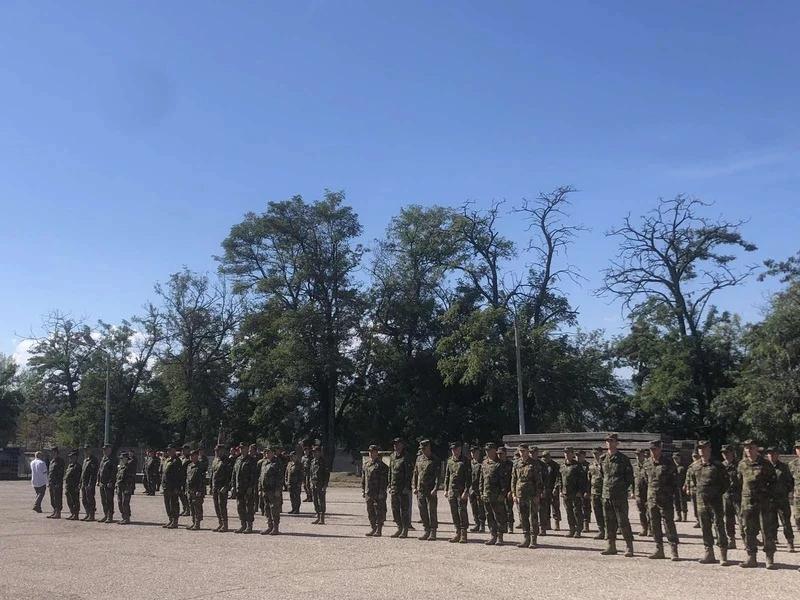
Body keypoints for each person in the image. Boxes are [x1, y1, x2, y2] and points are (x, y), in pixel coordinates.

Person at [738, 439, 779, 569]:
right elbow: (739, 481)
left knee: (767, 529)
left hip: (763, 502)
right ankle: (751, 557)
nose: (749, 450)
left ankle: (769, 558)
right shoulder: (742, 464)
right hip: (748, 502)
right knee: (748, 529)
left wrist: (768, 496)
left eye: (751, 448)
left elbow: (773, 482)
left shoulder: (765, 464)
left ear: (757, 449)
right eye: (746, 448)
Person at [688, 440, 730, 565]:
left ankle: (723, 554)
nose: (701, 450)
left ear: (709, 450)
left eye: (704, 448)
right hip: (701, 502)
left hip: (715, 502)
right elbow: (693, 483)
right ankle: (709, 553)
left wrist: (716, 493)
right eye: (700, 448)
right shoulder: (695, 466)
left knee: (719, 526)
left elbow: (726, 483)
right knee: (705, 527)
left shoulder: (717, 465)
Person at [600, 432, 635, 557]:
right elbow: (602, 475)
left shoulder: (623, 459)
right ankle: (611, 545)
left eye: (612, 441)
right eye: (607, 441)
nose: (609, 443)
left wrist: (624, 489)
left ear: (617, 443)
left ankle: (629, 546)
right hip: (606, 494)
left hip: (619, 495)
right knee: (608, 521)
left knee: (623, 521)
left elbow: (629, 477)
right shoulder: (603, 459)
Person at [643, 441, 679, 560]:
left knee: (668, 524)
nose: (653, 452)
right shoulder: (647, 463)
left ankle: (674, 550)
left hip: (666, 499)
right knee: (654, 524)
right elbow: (644, 481)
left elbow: (675, 481)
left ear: (660, 449)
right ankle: (659, 549)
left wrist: (669, 494)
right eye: (651, 450)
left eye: (655, 449)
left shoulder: (668, 463)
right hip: (652, 499)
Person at [511, 443, 543, 549]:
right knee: (523, 517)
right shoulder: (516, 464)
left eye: (523, 451)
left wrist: (538, 495)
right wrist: (514, 494)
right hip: (520, 495)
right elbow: (514, 480)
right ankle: (526, 538)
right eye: (520, 451)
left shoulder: (534, 464)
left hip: (531, 494)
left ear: (528, 452)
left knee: (533, 517)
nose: (522, 453)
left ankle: (533, 539)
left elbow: (539, 481)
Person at [765, 447, 794, 552]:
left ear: (778, 455)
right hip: (770, 499)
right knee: (771, 521)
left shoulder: (784, 467)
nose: (771, 456)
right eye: (769, 454)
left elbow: (791, 481)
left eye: (773, 454)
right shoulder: (765, 467)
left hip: (782, 499)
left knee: (786, 521)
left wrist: (786, 491)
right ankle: (773, 540)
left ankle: (790, 541)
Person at [480, 442, 508, 546]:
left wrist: (502, 494)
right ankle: (493, 535)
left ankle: (500, 536)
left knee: (499, 516)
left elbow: (504, 482)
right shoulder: (484, 463)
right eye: (486, 451)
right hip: (486, 495)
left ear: (494, 451)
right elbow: (481, 479)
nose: (487, 452)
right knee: (489, 515)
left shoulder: (499, 464)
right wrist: (481, 492)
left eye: (489, 450)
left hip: (497, 495)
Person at [412, 439, 441, 541]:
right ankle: (426, 530)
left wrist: (436, 488)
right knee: (422, 510)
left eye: (424, 448)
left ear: (429, 447)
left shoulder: (435, 459)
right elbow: (415, 473)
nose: (423, 451)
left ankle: (433, 531)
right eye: (422, 449)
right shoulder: (419, 459)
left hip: (430, 490)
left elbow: (438, 476)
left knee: (432, 511)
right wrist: (414, 486)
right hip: (420, 490)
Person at [444, 441, 470, 543]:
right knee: (454, 512)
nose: (454, 451)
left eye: (455, 449)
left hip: (461, 491)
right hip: (452, 490)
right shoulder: (450, 461)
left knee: (462, 511)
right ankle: (457, 532)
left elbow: (469, 478)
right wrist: (446, 489)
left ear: (460, 449)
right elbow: (447, 476)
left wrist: (466, 490)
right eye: (452, 449)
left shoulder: (465, 461)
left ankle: (464, 534)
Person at [388, 437, 414, 538]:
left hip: (403, 488)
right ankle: (399, 527)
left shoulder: (406, 457)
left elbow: (409, 473)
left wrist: (407, 487)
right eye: (394, 444)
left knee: (404, 509)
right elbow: (390, 472)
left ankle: (405, 529)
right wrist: (389, 485)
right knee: (395, 509)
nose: (396, 446)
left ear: (402, 445)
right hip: (394, 487)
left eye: (398, 444)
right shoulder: (392, 456)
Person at [362, 444, 389, 537]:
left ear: (376, 453)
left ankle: (379, 529)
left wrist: (382, 492)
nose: (370, 453)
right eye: (369, 452)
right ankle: (373, 528)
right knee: (370, 511)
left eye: (372, 452)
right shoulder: (366, 464)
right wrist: (363, 490)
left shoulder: (381, 466)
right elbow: (364, 478)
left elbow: (384, 481)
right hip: (369, 492)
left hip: (378, 493)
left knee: (379, 511)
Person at [560, 447, 586, 538]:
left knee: (577, 511)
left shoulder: (577, 466)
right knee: (569, 511)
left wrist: (580, 491)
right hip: (566, 492)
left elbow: (582, 480)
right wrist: (560, 490)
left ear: (572, 454)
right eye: (565, 453)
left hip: (575, 493)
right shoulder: (562, 466)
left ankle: (578, 530)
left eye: (568, 453)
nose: (566, 455)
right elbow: (560, 479)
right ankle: (571, 529)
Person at [232, 443, 258, 533]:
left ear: (247, 449)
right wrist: (233, 486)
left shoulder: (251, 460)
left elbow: (254, 475)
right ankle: (243, 525)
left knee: (249, 507)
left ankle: (249, 526)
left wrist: (251, 486)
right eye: (240, 448)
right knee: (240, 507)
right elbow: (234, 474)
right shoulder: (238, 460)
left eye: (242, 448)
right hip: (239, 488)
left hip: (247, 488)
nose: (241, 449)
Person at [258, 447, 283, 535]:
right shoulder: (264, 463)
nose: (266, 454)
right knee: (267, 508)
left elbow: (280, 478)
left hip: (273, 490)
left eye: (268, 452)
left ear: (273, 453)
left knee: (274, 508)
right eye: (265, 452)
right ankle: (269, 526)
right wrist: (260, 489)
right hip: (265, 490)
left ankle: (275, 528)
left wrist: (277, 489)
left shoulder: (277, 463)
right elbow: (261, 477)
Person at [721, 445, 741, 550]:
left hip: (738, 495)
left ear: (732, 453)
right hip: (726, 496)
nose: (725, 454)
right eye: (723, 453)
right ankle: (731, 539)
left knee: (743, 519)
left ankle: (746, 540)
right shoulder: (721, 466)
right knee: (729, 520)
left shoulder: (739, 465)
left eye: (727, 452)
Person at [209, 443, 232, 532]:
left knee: (222, 505)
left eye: (219, 450)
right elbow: (212, 474)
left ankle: (225, 524)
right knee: (216, 506)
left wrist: (226, 486)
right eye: (216, 451)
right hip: (215, 486)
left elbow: (229, 476)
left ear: (223, 451)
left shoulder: (226, 461)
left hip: (222, 487)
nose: (218, 452)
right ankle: (220, 523)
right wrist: (211, 487)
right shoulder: (215, 460)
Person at [161, 443, 183, 529]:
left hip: (173, 486)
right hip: (166, 486)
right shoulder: (167, 460)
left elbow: (179, 476)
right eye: (168, 450)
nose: (168, 451)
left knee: (173, 503)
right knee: (167, 503)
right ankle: (170, 519)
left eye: (170, 450)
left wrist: (178, 487)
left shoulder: (177, 461)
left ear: (174, 450)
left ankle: (175, 521)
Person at [186, 449, 206, 531]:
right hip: (190, 490)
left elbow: (202, 479)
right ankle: (193, 522)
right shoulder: (190, 465)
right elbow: (187, 478)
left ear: (197, 456)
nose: (191, 457)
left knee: (197, 506)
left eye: (192, 455)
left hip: (197, 490)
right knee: (191, 507)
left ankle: (197, 523)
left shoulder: (200, 466)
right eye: (190, 455)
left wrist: (200, 490)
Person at [541, 450, 561, 532]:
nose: (545, 459)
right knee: (545, 507)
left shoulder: (555, 465)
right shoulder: (541, 465)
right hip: (545, 489)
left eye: (546, 457)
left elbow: (558, 477)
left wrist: (556, 487)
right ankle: (547, 524)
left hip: (553, 488)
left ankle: (557, 523)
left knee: (555, 506)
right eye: (544, 457)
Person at [310, 443, 330, 525]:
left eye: (316, 452)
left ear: (319, 452)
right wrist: (310, 483)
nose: (314, 453)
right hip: (314, 483)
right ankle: (317, 516)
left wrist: (325, 485)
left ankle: (322, 518)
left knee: (321, 501)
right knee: (315, 500)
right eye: (313, 452)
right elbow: (311, 473)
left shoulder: (323, 462)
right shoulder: (312, 461)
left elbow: (326, 474)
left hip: (321, 484)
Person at [97, 444, 118, 523]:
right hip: (102, 482)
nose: (104, 451)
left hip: (108, 483)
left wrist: (111, 481)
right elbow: (100, 470)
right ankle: (105, 514)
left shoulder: (113, 459)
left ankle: (110, 516)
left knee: (109, 499)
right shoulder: (103, 459)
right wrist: (98, 480)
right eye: (103, 450)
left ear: (110, 450)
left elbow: (114, 472)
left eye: (106, 450)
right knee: (103, 500)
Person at [588, 447, 606, 540]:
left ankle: (609, 531)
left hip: (604, 492)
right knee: (597, 512)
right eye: (594, 453)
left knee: (606, 513)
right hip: (594, 492)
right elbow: (589, 479)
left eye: (597, 453)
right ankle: (601, 531)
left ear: (601, 453)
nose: (595, 455)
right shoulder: (591, 465)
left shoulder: (606, 464)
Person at [468, 446, 486, 533]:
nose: (473, 454)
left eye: (474, 452)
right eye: (472, 452)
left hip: (479, 489)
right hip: (472, 489)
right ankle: (477, 524)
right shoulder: (469, 463)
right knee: (473, 507)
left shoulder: (482, 464)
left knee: (481, 507)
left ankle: (482, 525)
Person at [497, 446, 514, 533]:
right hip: (499, 491)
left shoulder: (510, 464)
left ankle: (510, 525)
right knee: (500, 509)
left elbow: (514, 478)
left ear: (505, 454)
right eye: (498, 454)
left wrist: (511, 491)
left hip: (508, 489)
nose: (500, 456)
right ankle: (503, 526)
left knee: (509, 509)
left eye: (501, 454)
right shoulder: (496, 464)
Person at [115, 451, 135, 525]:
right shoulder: (121, 467)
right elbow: (118, 477)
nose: (121, 460)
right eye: (120, 458)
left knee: (125, 503)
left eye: (122, 458)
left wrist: (128, 488)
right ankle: (123, 517)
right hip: (120, 487)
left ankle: (127, 517)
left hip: (126, 488)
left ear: (126, 458)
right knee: (120, 502)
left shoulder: (129, 467)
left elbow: (130, 479)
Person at [80, 445, 99, 521]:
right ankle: (87, 513)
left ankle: (92, 515)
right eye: (85, 450)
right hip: (84, 483)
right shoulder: (85, 460)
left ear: (90, 450)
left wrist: (90, 484)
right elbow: (83, 473)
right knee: (84, 499)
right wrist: (80, 482)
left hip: (89, 483)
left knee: (90, 499)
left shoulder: (94, 460)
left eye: (87, 450)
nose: (85, 452)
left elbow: (93, 473)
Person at [633, 448, 650, 536]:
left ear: (643, 455)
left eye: (639, 455)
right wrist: (632, 492)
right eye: (636, 455)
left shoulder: (648, 465)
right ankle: (644, 528)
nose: (638, 457)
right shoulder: (635, 466)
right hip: (638, 492)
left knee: (649, 511)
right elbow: (633, 480)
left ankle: (651, 529)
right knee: (641, 512)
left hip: (648, 492)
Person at [46, 446, 65, 519]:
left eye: (53, 451)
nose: (51, 453)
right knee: (52, 498)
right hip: (51, 482)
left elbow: (60, 473)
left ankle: (58, 512)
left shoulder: (60, 461)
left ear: (56, 452)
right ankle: (54, 510)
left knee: (57, 497)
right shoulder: (52, 461)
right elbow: (50, 472)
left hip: (57, 482)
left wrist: (58, 483)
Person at [64, 450, 82, 520]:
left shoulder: (78, 466)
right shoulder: (70, 465)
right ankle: (72, 513)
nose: (70, 459)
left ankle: (76, 514)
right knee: (69, 500)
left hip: (74, 486)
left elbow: (79, 477)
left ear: (76, 457)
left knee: (75, 500)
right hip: (69, 486)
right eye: (70, 457)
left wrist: (78, 486)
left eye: (72, 457)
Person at [577, 450, 591, 533]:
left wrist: (588, 491)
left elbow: (589, 480)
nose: (577, 457)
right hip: (576, 490)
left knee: (586, 507)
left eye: (579, 455)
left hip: (585, 489)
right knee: (577, 508)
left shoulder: (588, 466)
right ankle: (579, 524)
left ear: (584, 456)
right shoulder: (574, 465)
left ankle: (586, 524)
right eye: (577, 455)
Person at [285, 450, 303, 514]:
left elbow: (301, 475)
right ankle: (293, 508)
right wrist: (286, 481)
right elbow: (286, 473)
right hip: (290, 483)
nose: (291, 458)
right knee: (291, 496)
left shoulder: (299, 465)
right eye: (291, 456)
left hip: (296, 483)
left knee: (297, 497)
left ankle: (297, 509)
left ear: (296, 457)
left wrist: (299, 483)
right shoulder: (289, 463)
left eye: (293, 456)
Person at [673, 453, 688, 522]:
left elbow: (687, 477)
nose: (675, 460)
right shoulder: (672, 467)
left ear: (680, 458)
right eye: (674, 458)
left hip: (682, 486)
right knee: (676, 501)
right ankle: (679, 516)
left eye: (676, 458)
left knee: (683, 501)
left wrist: (686, 485)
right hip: (674, 486)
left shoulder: (683, 467)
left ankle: (684, 516)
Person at [179, 444, 192, 517]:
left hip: (186, 479)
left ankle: (188, 509)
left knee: (186, 495)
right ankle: (184, 508)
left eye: (185, 450)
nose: (183, 451)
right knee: (181, 495)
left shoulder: (190, 459)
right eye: (182, 450)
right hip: (181, 479)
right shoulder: (181, 458)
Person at [791, 441, 800, 534]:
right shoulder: (792, 464)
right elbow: (789, 480)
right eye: (798, 448)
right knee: (797, 517)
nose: (799, 450)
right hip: (798, 496)